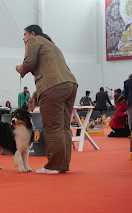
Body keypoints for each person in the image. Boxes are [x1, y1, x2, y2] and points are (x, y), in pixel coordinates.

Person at [15, 25, 78, 174]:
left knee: (52, 127)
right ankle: (62, 164)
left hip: (53, 87)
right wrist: (35, 96)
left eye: (24, 35)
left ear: (32, 33)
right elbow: (51, 72)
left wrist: (20, 69)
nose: (23, 38)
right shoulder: (52, 46)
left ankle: (54, 165)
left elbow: (29, 63)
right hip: (70, 85)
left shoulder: (33, 40)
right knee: (63, 127)